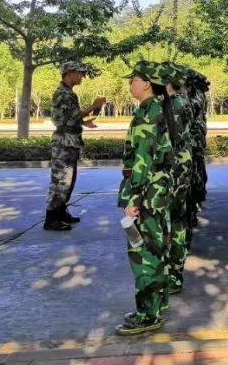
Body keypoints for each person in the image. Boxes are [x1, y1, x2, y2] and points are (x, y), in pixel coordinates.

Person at [116, 60, 177, 335]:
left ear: (146, 84)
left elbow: (142, 160)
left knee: (144, 255)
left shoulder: (148, 113)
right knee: (155, 250)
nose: (130, 84)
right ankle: (157, 307)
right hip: (155, 193)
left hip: (146, 195)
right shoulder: (153, 109)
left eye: (134, 80)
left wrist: (134, 199)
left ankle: (148, 315)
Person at [44, 61, 105, 231]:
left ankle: (61, 212)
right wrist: (94, 106)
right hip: (64, 142)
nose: (82, 76)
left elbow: (67, 118)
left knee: (68, 180)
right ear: (69, 73)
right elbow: (71, 116)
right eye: (79, 73)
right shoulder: (64, 94)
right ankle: (51, 219)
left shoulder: (67, 92)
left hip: (69, 141)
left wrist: (83, 123)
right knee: (61, 181)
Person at [162, 63, 195, 294]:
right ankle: (175, 270)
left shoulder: (173, 105)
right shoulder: (181, 101)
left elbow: (168, 141)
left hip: (174, 168)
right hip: (182, 164)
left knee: (172, 220)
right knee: (178, 218)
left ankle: (173, 273)